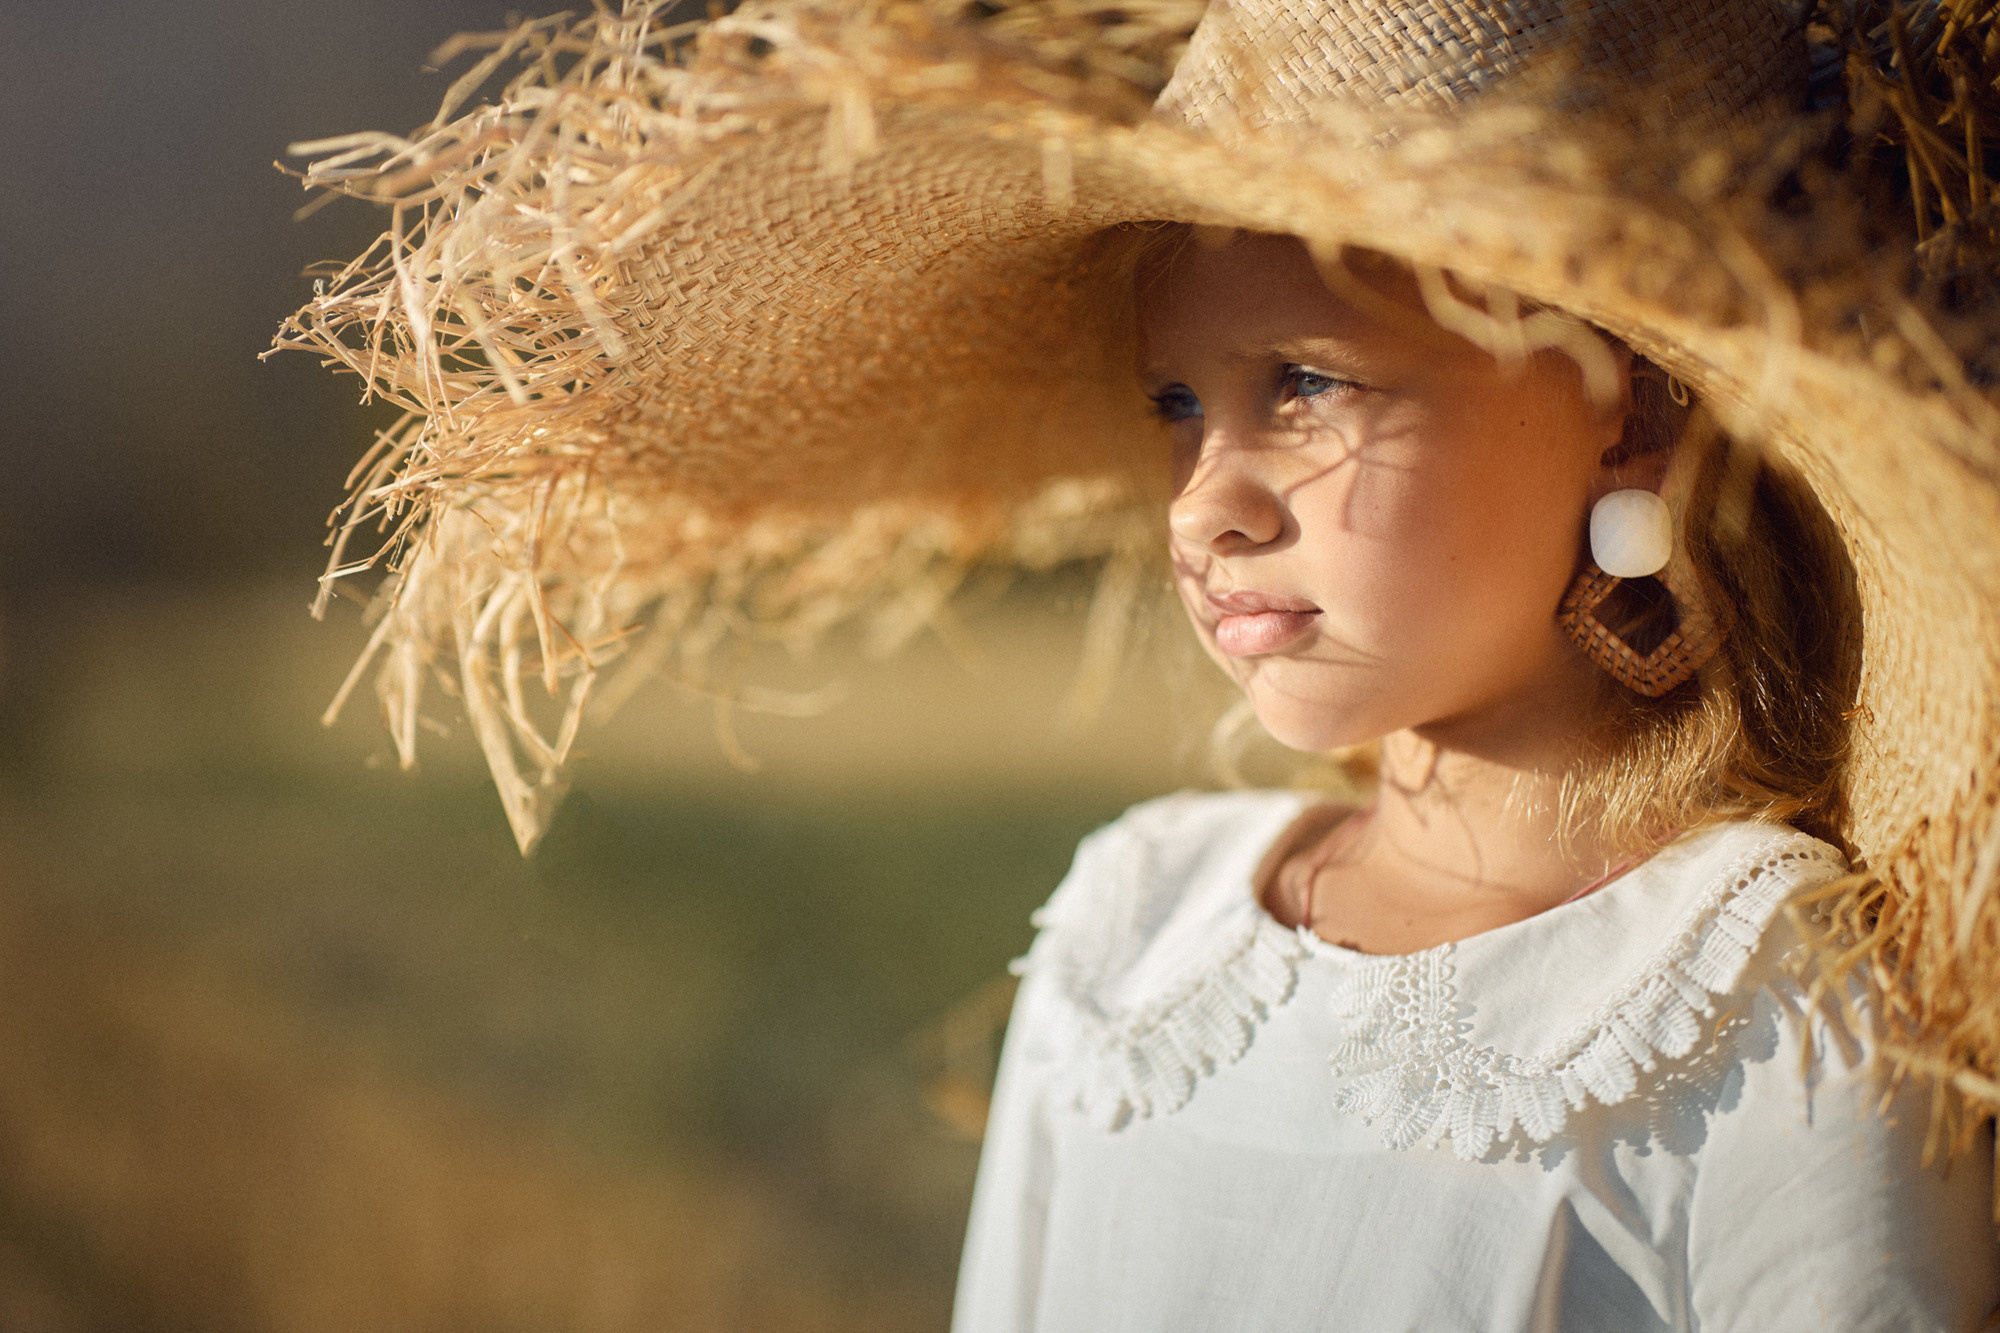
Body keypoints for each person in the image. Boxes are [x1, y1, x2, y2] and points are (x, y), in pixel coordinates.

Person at [277, 0, 2000, 1326]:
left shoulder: (1758, 1006)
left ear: (1621, 400)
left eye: (1305, 386)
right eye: (1178, 405)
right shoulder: (1133, 933)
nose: (1208, 502)